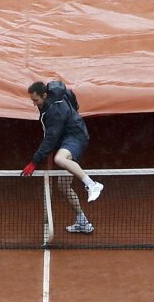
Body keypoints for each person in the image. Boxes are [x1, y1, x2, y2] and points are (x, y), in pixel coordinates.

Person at [21, 80, 103, 234]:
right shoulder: (53, 93)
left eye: (36, 100)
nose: (34, 104)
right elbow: (70, 94)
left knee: (60, 159)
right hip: (67, 137)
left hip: (75, 136)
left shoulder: (55, 112)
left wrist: (34, 161)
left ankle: (92, 185)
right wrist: (73, 112)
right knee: (63, 186)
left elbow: (50, 138)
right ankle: (83, 222)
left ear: (45, 95)